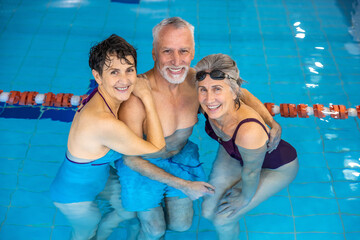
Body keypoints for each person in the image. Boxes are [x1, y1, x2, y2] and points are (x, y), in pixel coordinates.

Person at [113, 17, 284, 240]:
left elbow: (241, 94)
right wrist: (184, 185)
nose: (176, 61)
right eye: (167, 51)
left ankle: (151, 209)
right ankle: (141, 222)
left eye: (183, 51)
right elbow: (131, 159)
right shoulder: (136, 96)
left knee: (182, 225)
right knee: (155, 230)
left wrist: (271, 122)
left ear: (193, 52)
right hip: (142, 165)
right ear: (154, 54)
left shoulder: (198, 83)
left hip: (180, 157)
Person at [49, 34, 165, 240]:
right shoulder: (103, 122)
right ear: (98, 76)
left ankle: (105, 231)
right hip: (73, 197)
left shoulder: (101, 95)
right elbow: (156, 147)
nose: (124, 80)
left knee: (128, 209)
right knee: (86, 232)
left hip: (98, 179)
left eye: (130, 70)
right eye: (114, 72)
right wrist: (147, 97)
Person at [195, 53, 299, 240]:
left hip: (276, 167)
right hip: (235, 153)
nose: (209, 99)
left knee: (223, 219)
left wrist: (243, 199)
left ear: (234, 91)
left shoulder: (248, 130)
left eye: (217, 89)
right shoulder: (208, 100)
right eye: (203, 89)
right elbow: (246, 94)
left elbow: (251, 173)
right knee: (207, 210)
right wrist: (271, 121)